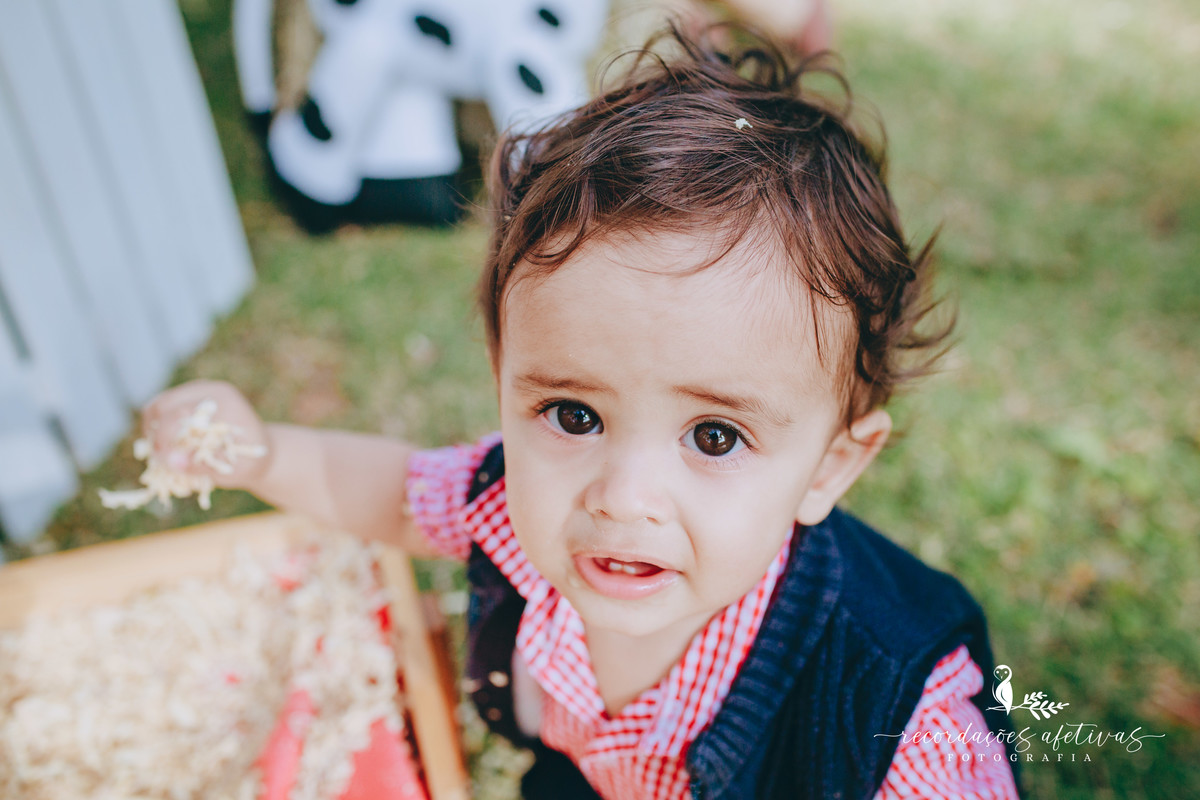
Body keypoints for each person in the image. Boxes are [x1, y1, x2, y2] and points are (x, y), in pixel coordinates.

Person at [144, 25, 1020, 800]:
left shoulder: (895, 723)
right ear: (504, 378)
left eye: (714, 436)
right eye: (572, 414)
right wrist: (255, 453)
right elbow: (391, 494)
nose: (623, 496)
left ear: (831, 464)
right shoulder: (502, 504)